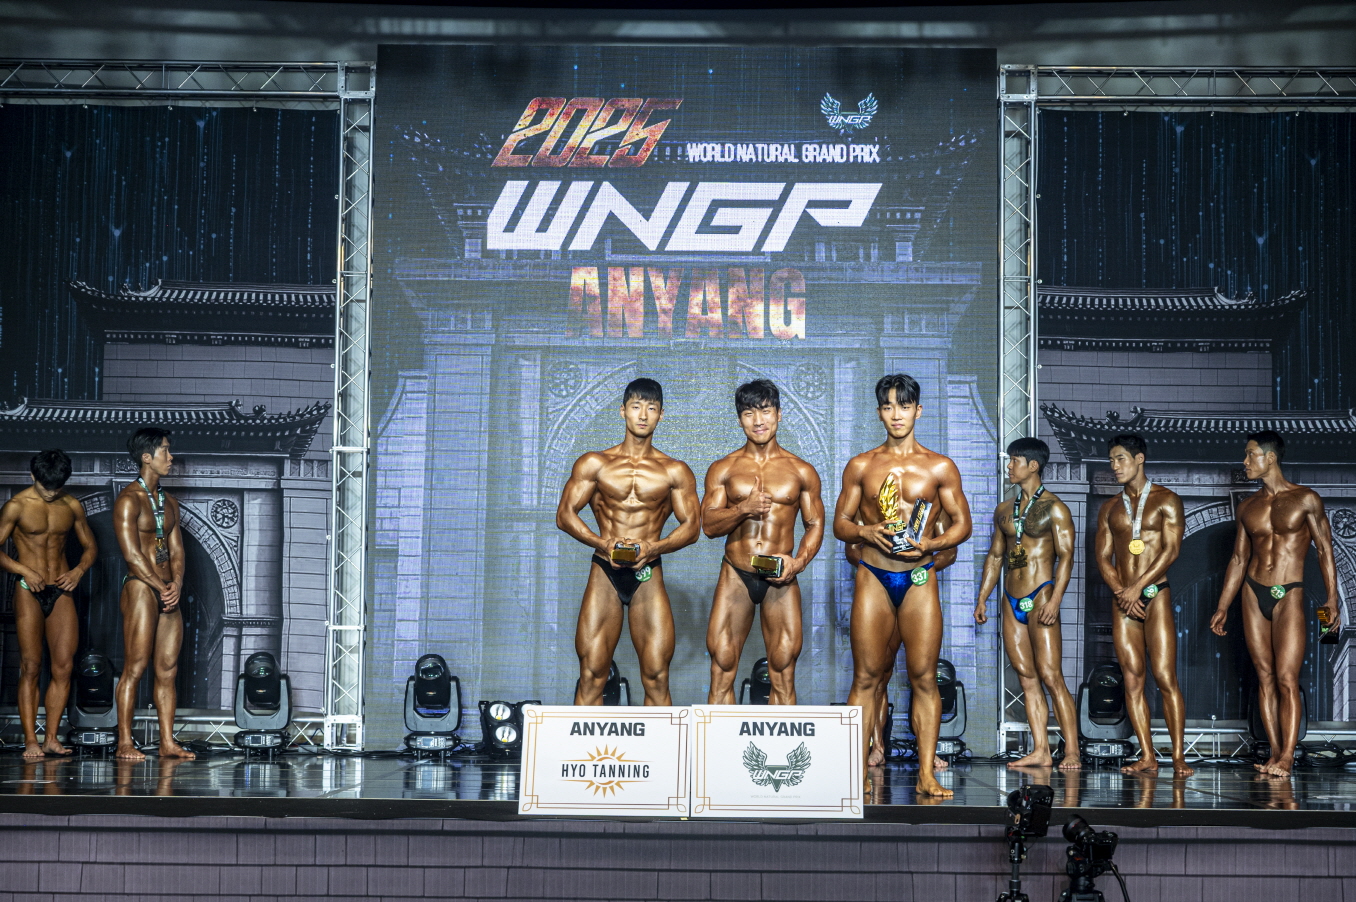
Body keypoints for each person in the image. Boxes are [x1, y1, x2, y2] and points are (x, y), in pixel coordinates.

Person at [833, 374, 972, 798]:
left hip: (918, 577)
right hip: (874, 575)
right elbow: (840, 524)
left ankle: (926, 774)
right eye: (889, 406)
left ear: (918, 410)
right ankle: (854, 772)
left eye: (905, 406)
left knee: (924, 677)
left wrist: (931, 543)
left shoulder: (940, 467)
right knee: (866, 677)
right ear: (879, 412)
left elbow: (963, 524)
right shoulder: (861, 465)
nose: (897, 414)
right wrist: (866, 531)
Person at [556, 378, 700, 705]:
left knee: (657, 676)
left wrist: (654, 548)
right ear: (623, 411)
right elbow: (564, 515)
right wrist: (602, 543)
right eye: (636, 407)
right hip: (604, 571)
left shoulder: (674, 471)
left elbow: (692, 527)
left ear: (661, 414)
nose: (643, 415)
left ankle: (661, 742)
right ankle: (583, 742)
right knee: (592, 674)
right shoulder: (595, 463)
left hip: (647, 573)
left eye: (651, 408)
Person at [1210, 431, 1340, 778]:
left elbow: (1325, 550)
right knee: (1264, 677)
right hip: (1253, 592)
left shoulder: (1306, 499)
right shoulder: (1247, 506)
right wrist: (1223, 605)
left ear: (1270, 458)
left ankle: (1287, 756)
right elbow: (1239, 559)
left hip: (1289, 590)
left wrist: (1332, 599)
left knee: (1286, 678)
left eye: (1250, 454)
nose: (1245, 462)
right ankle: (1273, 754)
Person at [701, 379, 824, 705]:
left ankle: (780, 740)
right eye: (749, 413)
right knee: (722, 662)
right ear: (739, 418)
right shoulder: (724, 469)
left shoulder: (801, 471)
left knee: (783, 667)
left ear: (779, 414)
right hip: (736, 573)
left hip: (781, 576)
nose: (758, 421)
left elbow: (815, 524)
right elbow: (708, 525)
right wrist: (743, 509)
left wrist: (798, 563)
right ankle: (719, 739)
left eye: (766, 411)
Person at [974, 437, 1081, 770]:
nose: (1009, 466)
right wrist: (982, 598)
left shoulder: (1055, 508)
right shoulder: (1004, 510)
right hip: (1010, 598)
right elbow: (996, 555)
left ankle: (1072, 751)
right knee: (1026, 677)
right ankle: (1041, 750)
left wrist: (1056, 599)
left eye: (1015, 461)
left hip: (1042, 594)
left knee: (1051, 675)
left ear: (1033, 466)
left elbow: (1066, 556)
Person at [1094, 434, 1192, 776]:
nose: (1114, 466)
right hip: (1124, 599)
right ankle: (1148, 755)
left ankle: (1178, 757)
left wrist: (1137, 588)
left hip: (1154, 593)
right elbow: (1103, 557)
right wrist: (1123, 591)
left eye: (1120, 458)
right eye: (1111, 460)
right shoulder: (1110, 508)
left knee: (1165, 676)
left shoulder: (1167, 499)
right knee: (1133, 679)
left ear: (1139, 459)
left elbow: (1171, 550)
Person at [0, 449, 97, 758]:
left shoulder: (71, 505)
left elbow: (90, 547)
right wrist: (23, 570)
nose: (51, 493)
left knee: (64, 667)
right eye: (46, 487)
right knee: (30, 666)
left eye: (57, 487)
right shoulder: (16, 506)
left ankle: (51, 738)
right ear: (32, 476)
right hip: (29, 589)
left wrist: (78, 571)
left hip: (61, 589)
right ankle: (31, 740)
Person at [114, 428, 194, 761]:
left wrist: (176, 584)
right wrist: (160, 587)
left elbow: (177, 551)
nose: (171, 457)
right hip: (141, 587)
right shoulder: (128, 500)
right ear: (146, 457)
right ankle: (124, 743)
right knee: (135, 667)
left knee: (168, 670)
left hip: (167, 589)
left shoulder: (169, 502)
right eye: (165, 451)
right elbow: (132, 555)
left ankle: (166, 742)